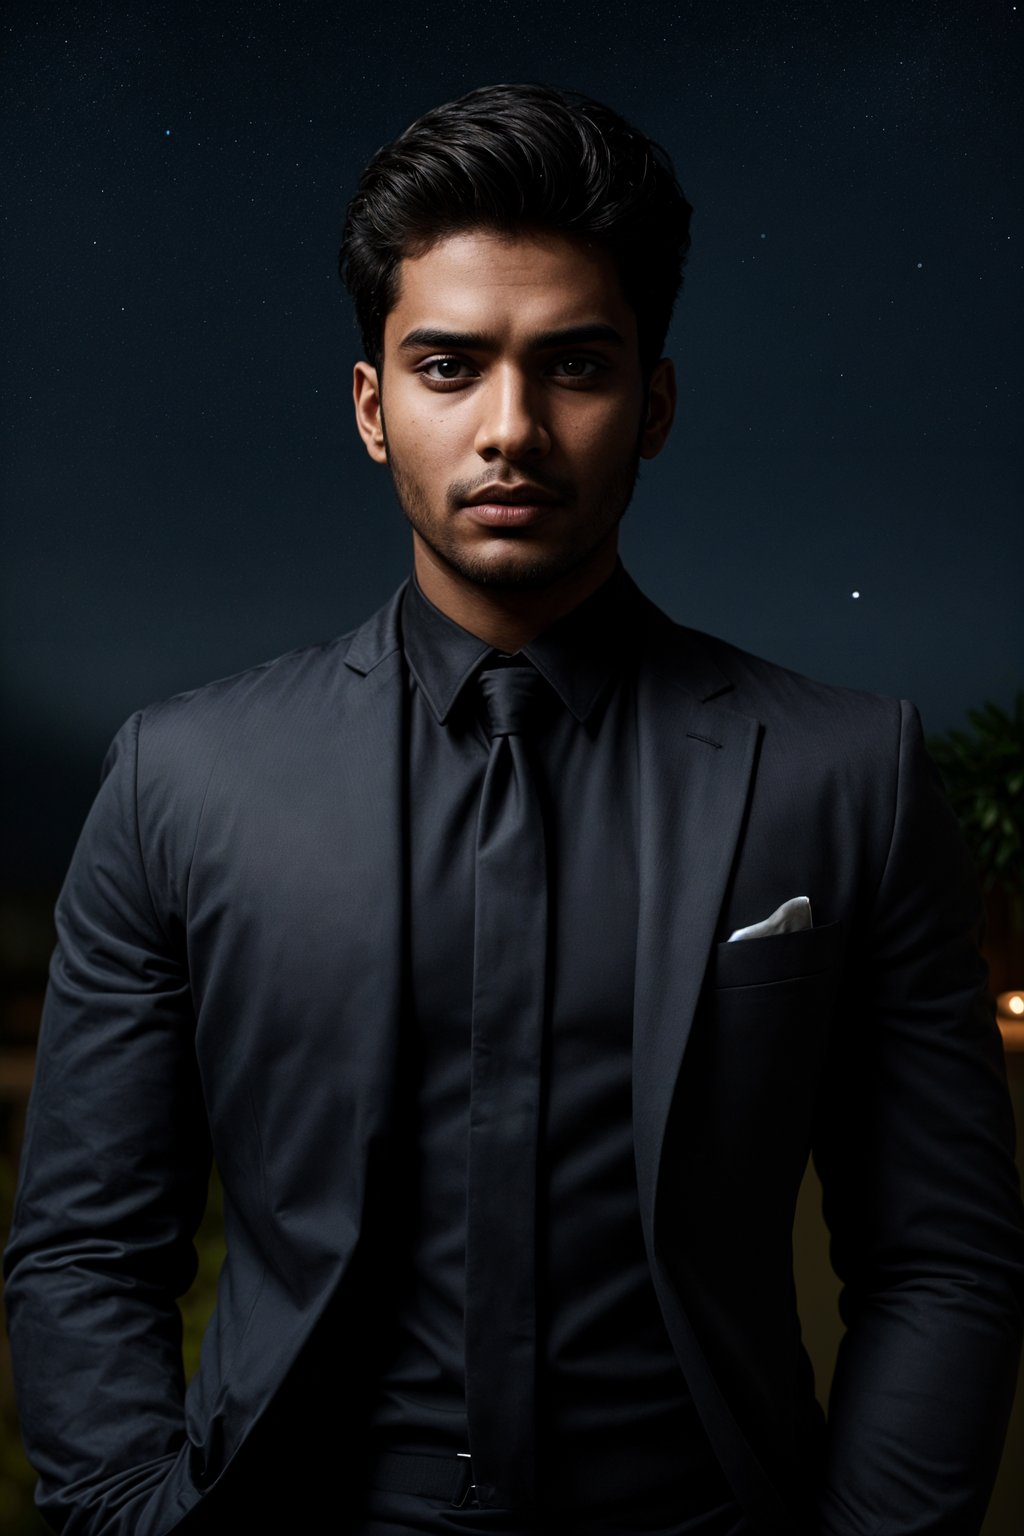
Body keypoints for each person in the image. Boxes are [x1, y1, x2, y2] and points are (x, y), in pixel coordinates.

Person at [5, 82, 1023, 1536]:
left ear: (654, 402)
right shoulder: (182, 777)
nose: (512, 429)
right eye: (446, 366)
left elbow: (942, 1258)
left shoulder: (848, 773)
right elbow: (86, 1252)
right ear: (371, 408)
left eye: (575, 366)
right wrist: (129, 1520)